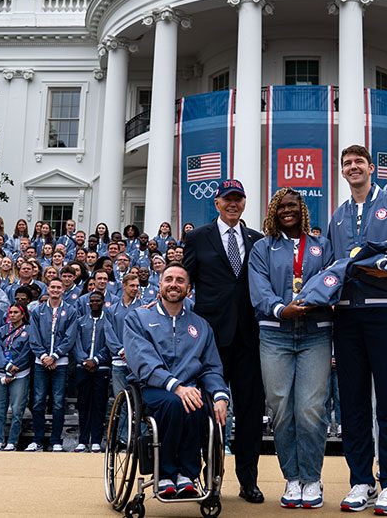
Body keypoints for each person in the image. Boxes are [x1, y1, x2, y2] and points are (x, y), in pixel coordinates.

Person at [324, 146, 387, 516]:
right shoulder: (336, 217)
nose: (353, 168)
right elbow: (332, 268)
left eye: (358, 162)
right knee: (351, 402)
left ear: (371, 167)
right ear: (342, 172)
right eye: (346, 164)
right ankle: (360, 481)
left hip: (385, 313)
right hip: (346, 316)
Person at [181, 178, 266, 503]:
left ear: (244, 203)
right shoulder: (198, 237)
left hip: (249, 339)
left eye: (238, 199)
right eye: (227, 199)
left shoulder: (256, 240)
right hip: (210, 340)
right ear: (216, 203)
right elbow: (185, 279)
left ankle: (248, 481)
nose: (233, 204)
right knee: (208, 413)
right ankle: (210, 480)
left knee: (249, 411)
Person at [247, 188, 333, 509]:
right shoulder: (262, 249)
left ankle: (311, 478)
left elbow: (331, 281)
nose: (287, 211)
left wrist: (310, 301)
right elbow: (259, 289)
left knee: (311, 408)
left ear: (302, 209)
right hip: (275, 333)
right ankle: (292, 477)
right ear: (273, 211)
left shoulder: (321, 246)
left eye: (293, 205)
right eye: (281, 206)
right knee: (281, 409)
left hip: (315, 333)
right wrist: (282, 309)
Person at [125, 264, 230, 499]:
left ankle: (187, 474)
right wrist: (175, 386)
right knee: (175, 402)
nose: (174, 284)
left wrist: (221, 395)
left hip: (189, 389)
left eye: (180, 281)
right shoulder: (138, 318)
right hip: (153, 387)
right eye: (168, 279)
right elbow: (142, 360)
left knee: (198, 402)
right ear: (159, 285)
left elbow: (211, 367)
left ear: (189, 289)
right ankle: (164, 472)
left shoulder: (201, 326)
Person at [28, 277, 77, 452]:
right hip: (40, 362)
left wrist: (55, 356)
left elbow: (70, 338)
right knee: (38, 401)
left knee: (57, 402)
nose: (55, 290)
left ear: (63, 290)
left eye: (59, 287)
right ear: (47, 289)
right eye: (53, 287)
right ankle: (37, 440)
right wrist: (43, 356)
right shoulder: (38, 310)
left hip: (60, 363)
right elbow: (33, 336)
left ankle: (56, 440)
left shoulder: (70, 311)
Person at [71, 290, 111, 453]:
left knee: (99, 405)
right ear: (88, 303)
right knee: (83, 404)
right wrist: (83, 359)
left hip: (101, 369)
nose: (94, 303)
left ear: (103, 302)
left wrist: (96, 360)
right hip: (83, 368)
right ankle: (82, 440)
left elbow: (110, 344)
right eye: (92, 301)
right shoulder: (80, 321)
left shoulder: (109, 321)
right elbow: (76, 343)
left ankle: (96, 439)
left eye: (98, 300)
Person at [0, 303, 33, 451]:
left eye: (16, 312)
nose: (12, 315)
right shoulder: (2, 330)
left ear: (23, 315)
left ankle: (12, 441)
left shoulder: (29, 331)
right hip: (0, 372)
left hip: (19, 373)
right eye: (11, 312)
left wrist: (13, 369)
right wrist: (6, 367)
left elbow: (27, 353)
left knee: (17, 409)